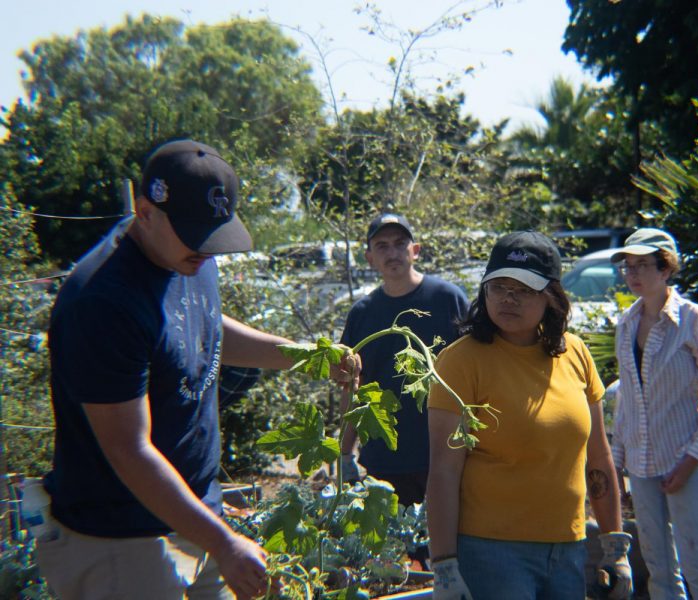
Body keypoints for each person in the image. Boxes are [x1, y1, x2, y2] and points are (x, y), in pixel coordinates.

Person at [35, 139, 326, 600]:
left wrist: (306, 355)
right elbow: (129, 451)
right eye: (195, 234)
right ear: (144, 210)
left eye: (215, 234)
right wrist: (225, 544)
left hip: (193, 516)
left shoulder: (189, 257)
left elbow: (202, 328)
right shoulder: (104, 301)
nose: (207, 250)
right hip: (123, 542)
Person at [426, 231, 632, 600]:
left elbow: (599, 455)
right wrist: (444, 567)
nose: (508, 298)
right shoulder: (460, 361)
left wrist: (615, 547)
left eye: (523, 289)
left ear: (551, 296)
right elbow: (444, 470)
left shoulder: (576, 354)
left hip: (568, 549)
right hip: (492, 553)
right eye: (499, 287)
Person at [610, 228, 698, 599]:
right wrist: (616, 461)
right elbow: (627, 399)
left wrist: (693, 459)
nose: (633, 274)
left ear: (666, 269)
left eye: (643, 265)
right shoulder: (626, 322)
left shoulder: (693, 319)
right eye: (629, 266)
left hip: (686, 462)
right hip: (642, 466)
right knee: (660, 572)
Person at [339, 213, 468, 507]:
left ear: (415, 250)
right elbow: (351, 388)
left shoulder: (448, 299)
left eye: (400, 243)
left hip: (444, 456)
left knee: (445, 548)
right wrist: (344, 453)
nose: (392, 252)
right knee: (395, 551)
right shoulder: (362, 313)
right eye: (382, 246)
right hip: (383, 459)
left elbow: (479, 370)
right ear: (369, 258)